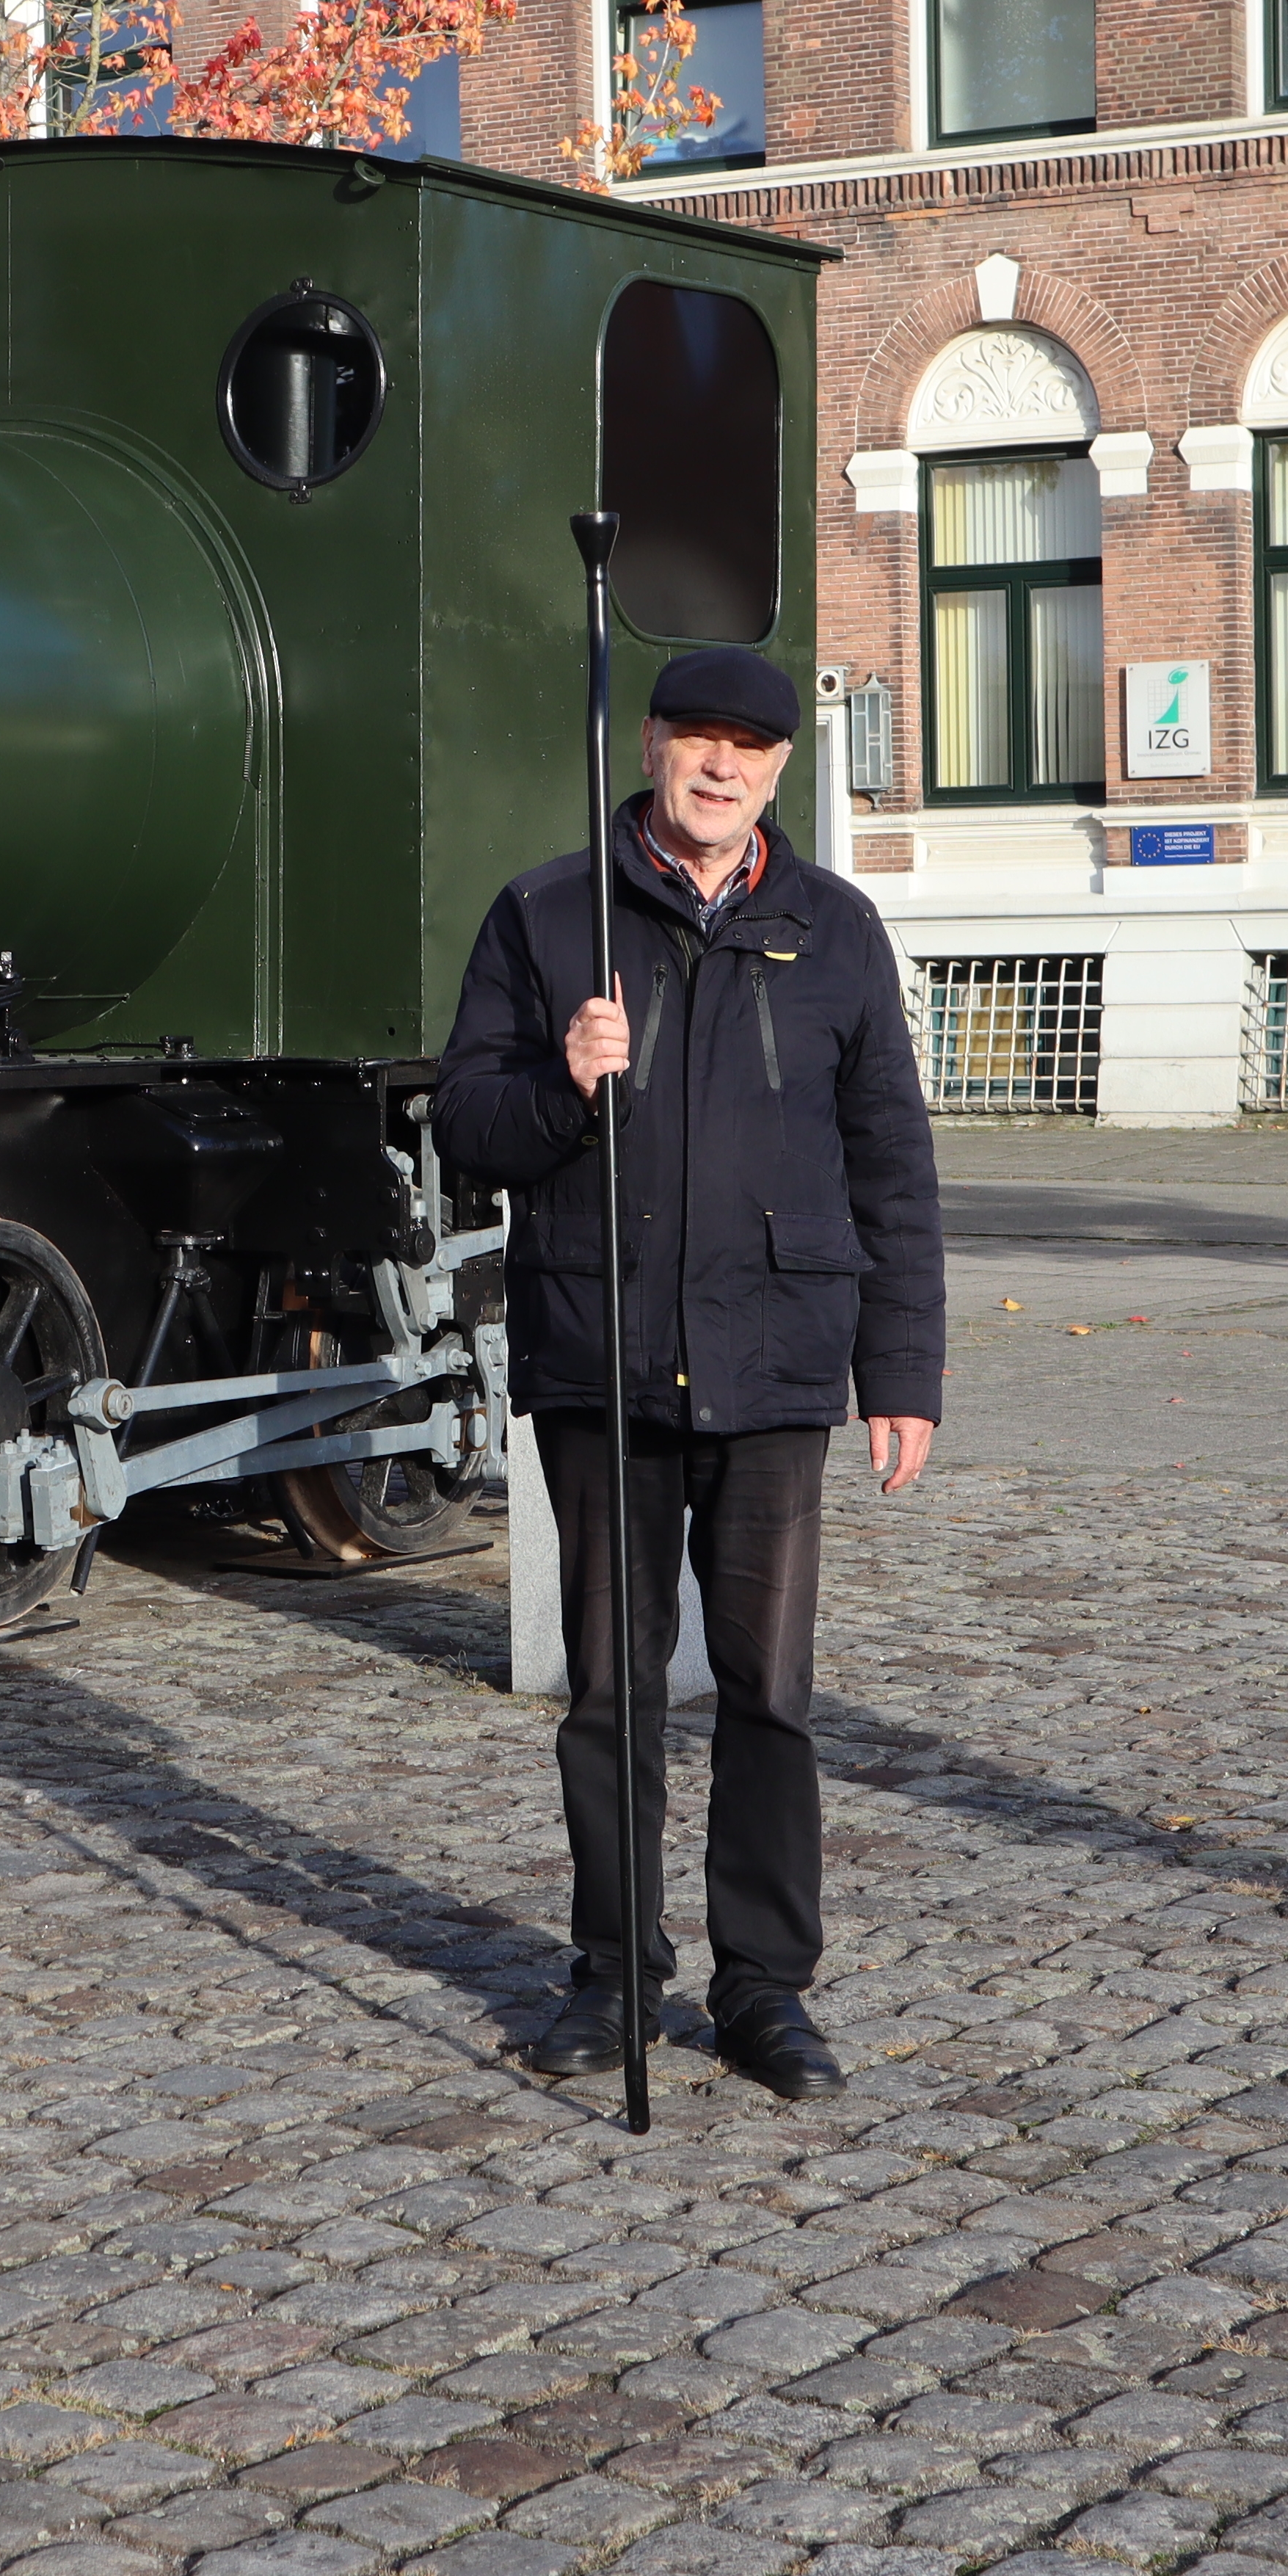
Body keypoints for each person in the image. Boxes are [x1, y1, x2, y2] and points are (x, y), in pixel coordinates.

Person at [434, 645, 947, 2102]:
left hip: (777, 1358)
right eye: (699, 738)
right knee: (611, 1690)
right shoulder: (550, 914)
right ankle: (613, 1972)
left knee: (768, 1688)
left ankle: (763, 1987)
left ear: (780, 769)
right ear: (652, 742)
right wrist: (561, 1083)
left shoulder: (834, 927)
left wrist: (901, 1366)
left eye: (751, 746)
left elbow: (890, 1158)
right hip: (599, 1357)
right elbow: (465, 1121)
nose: (722, 766)